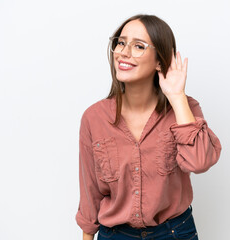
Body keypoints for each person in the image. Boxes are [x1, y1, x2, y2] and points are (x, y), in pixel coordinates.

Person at [75, 14, 222, 240]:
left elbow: (199, 161)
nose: (124, 52)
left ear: (159, 61)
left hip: (175, 233)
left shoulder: (185, 108)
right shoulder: (94, 118)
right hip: (115, 235)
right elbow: (90, 192)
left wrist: (177, 96)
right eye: (121, 43)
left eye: (139, 46)